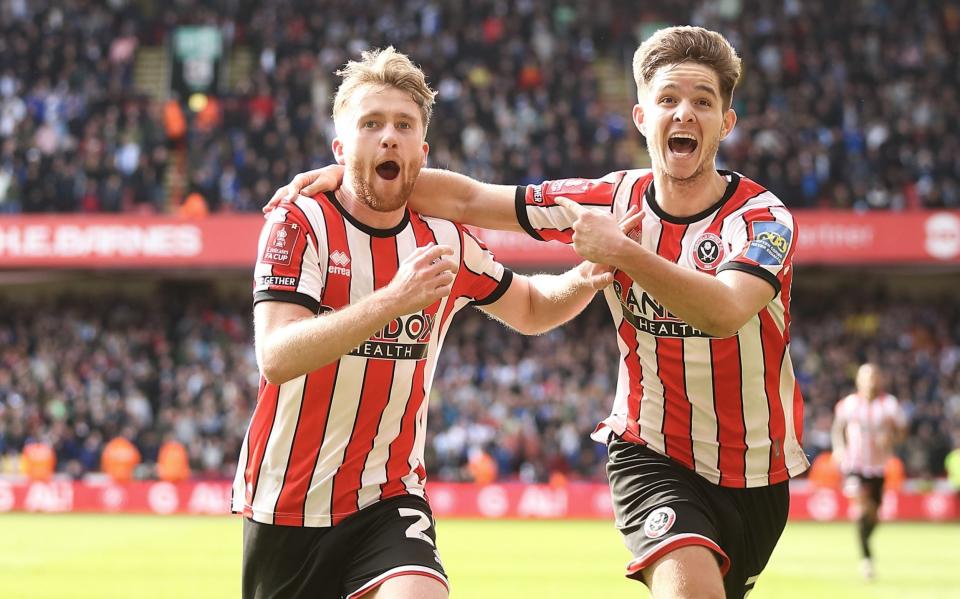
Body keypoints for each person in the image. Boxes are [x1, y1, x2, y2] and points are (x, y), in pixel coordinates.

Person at [268, 25, 809, 599]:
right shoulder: (604, 202)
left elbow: (726, 311)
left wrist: (620, 251)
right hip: (652, 449)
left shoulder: (761, 220)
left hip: (756, 470)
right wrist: (348, 181)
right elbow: (473, 199)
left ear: (726, 122)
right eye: (668, 100)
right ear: (641, 117)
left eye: (703, 102)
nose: (683, 114)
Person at [234, 47, 631, 599]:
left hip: (389, 498)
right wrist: (393, 300)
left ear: (423, 151)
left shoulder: (445, 241)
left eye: (403, 125)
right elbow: (275, 355)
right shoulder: (298, 222)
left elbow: (534, 307)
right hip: (288, 501)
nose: (388, 137)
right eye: (370, 124)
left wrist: (584, 279)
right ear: (340, 146)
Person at [831, 362, 907, 580]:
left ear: (880, 379)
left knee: (874, 516)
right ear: (859, 380)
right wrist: (838, 449)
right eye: (866, 377)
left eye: (874, 376)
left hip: (878, 468)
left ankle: (865, 540)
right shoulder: (849, 404)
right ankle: (866, 561)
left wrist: (891, 438)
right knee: (862, 509)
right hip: (853, 466)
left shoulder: (889, 404)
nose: (870, 381)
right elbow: (837, 428)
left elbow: (902, 431)